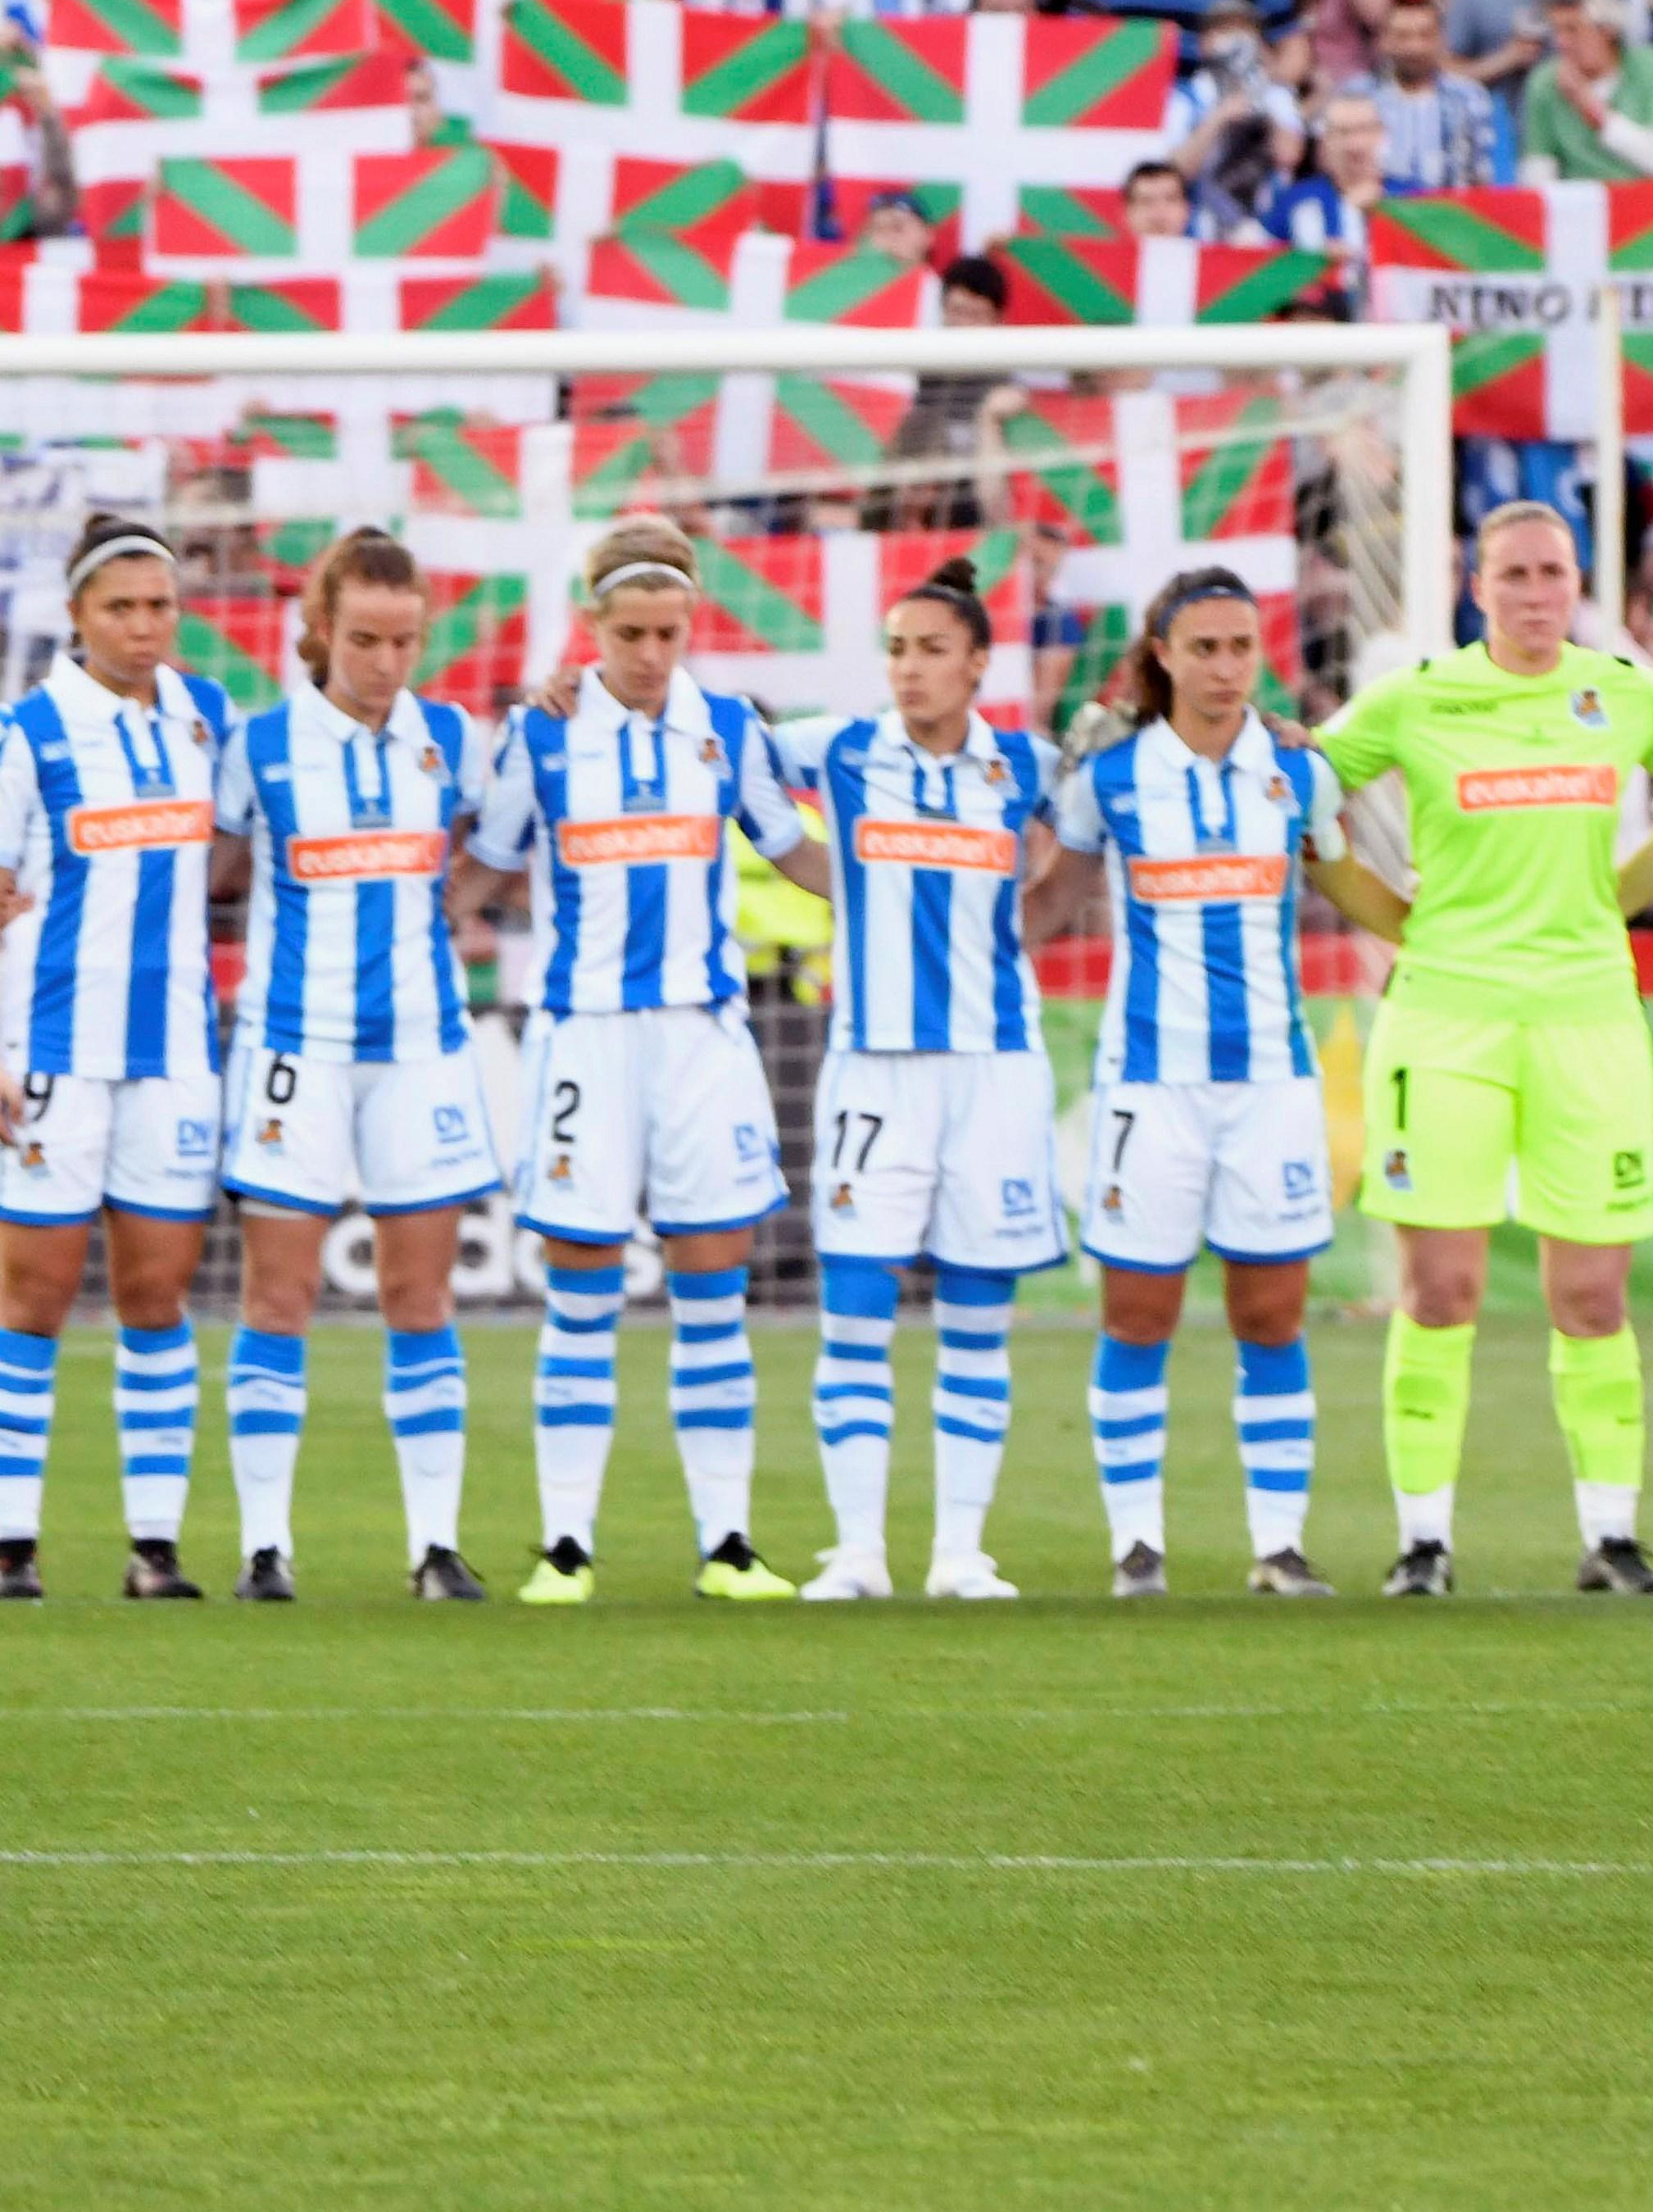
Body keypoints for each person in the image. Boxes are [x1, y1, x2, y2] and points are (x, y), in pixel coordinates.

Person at [1319, 493, 1653, 1592]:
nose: (1538, 595)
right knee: (1441, 1291)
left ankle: (1611, 1537)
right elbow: (1306, 799)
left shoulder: (1623, 694)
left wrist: (1626, 891)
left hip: (1589, 1016)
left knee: (1591, 1297)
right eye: (1516, 576)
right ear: (1477, 586)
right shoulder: (1418, 697)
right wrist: (1395, 919)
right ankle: (1423, 1544)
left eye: (1555, 575)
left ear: (1577, 587)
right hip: (1447, 1015)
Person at [469, 520, 817, 1599]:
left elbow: (792, 845)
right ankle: (566, 1545)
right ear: (592, 624)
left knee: (714, 1287)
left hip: (702, 1037)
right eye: (631, 633)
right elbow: (480, 869)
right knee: (583, 1294)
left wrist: (897, 896)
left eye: (671, 630)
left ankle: (727, 1545)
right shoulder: (540, 735)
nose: (653, 653)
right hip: (584, 1039)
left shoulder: (728, 728)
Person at [0, 519, 246, 1600]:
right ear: (77, 616)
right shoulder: (25, 732)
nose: (143, 625)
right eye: (120, 606)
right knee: (35, 1294)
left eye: (159, 605)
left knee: (160, 1293)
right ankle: (11, 1548)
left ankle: (155, 1548)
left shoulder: (208, 715)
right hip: (51, 1054)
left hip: (173, 1053)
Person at [211, 529, 505, 1600]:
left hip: (421, 1053)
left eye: (407, 641)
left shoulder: (454, 740)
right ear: (322, 631)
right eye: (367, 639)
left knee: (418, 1299)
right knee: (277, 1299)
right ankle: (263, 1548)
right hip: (296, 1051)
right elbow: (206, 867)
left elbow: (504, 842)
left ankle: (434, 1546)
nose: (387, 662)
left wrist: (453, 908)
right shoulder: (258, 747)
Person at [1051, 565, 1347, 1595]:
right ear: (1164, 655)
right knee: (1139, 1316)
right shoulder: (1112, 776)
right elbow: (1049, 897)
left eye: (1240, 646)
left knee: (1272, 1316)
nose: (1225, 666)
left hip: (1272, 1082)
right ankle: (1137, 1544)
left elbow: (1356, 877)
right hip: (1151, 1089)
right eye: (1205, 646)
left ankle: (1278, 1544)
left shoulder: (1301, 774)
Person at [789, 561, 1060, 1602]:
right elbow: (724, 755)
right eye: (897, 648)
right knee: (856, 1303)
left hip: (994, 1068)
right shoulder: (841, 749)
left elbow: (1080, 836)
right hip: (873, 1067)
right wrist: (820, 870)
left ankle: (960, 1551)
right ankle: (857, 1548)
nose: (910, 668)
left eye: (932, 649)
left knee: (977, 1308)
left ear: (978, 664)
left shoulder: (1026, 765)